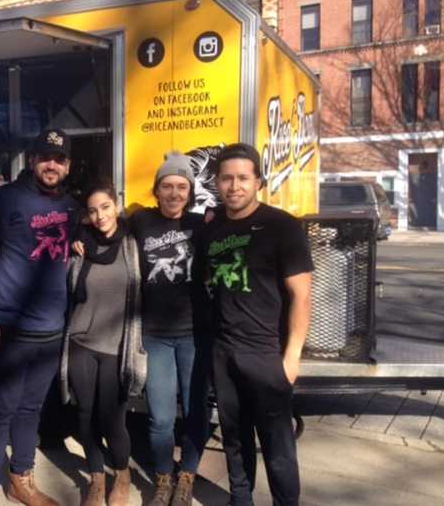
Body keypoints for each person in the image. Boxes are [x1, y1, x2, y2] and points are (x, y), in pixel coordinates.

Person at [0, 129, 78, 506]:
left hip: (51, 331)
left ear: (68, 165)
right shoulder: (4, 200)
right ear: (32, 160)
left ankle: (21, 481)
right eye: (45, 157)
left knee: (31, 410)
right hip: (10, 332)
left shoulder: (72, 207)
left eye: (59, 159)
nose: (51, 165)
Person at [201, 143, 313, 506]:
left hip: (266, 353)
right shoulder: (212, 226)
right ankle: (241, 499)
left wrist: (291, 357)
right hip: (224, 351)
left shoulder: (283, 227)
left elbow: (302, 296)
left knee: (277, 445)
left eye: (243, 178)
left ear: (259, 182)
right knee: (234, 438)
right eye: (227, 178)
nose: (235, 186)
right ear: (217, 183)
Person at [131, 152, 212, 506]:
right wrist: (80, 238)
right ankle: (164, 478)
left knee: (196, 413)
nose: (174, 193)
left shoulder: (203, 224)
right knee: (161, 417)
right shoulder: (140, 221)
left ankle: (187, 476)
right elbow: (99, 225)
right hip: (156, 335)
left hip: (195, 335)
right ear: (157, 190)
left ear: (190, 191)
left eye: (182, 186)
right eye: (167, 186)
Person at [59, 180, 146, 506]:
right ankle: (97, 477)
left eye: (105, 207)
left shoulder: (132, 245)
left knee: (113, 419)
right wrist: (75, 238)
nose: (100, 216)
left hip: (116, 348)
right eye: (93, 211)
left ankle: (121, 473)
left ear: (117, 206)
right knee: (84, 414)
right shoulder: (80, 247)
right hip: (81, 341)